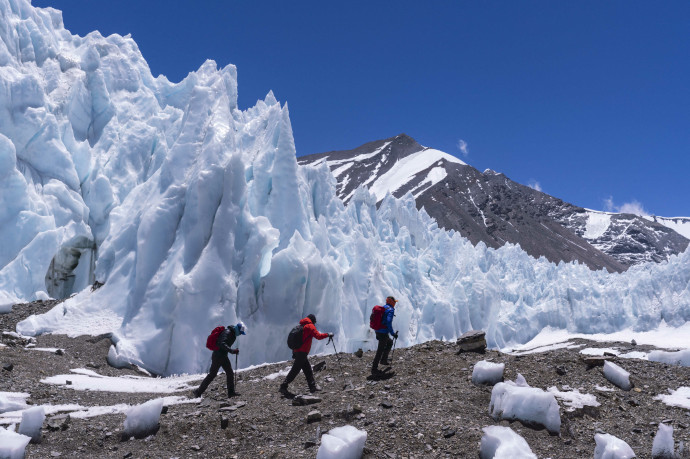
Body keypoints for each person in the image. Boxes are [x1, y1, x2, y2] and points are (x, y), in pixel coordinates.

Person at [279, 314, 333, 394]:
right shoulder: (310, 326)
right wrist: (328, 334)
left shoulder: (301, 326)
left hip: (298, 352)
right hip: (302, 353)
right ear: (313, 321)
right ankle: (283, 386)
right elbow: (318, 336)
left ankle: (312, 387)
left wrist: (295, 352)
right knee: (295, 370)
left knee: (307, 370)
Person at [193, 322, 246, 398]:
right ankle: (198, 392)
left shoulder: (232, 334)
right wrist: (231, 350)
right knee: (212, 375)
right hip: (218, 356)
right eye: (240, 332)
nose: (240, 334)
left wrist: (231, 350)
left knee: (229, 373)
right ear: (238, 329)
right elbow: (222, 343)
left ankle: (231, 393)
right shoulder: (227, 332)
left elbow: (223, 344)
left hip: (222, 356)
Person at [372, 296, 398, 375]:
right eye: (395, 302)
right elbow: (388, 322)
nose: (395, 303)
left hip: (378, 331)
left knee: (389, 342)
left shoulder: (383, 308)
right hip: (383, 332)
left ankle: (383, 359)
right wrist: (393, 333)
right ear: (392, 302)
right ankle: (374, 369)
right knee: (380, 350)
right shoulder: (390, 310)